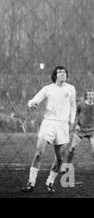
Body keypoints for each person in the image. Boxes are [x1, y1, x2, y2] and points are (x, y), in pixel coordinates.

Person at [22, 66, 76, 194]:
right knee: (39, 152)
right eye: (60, 72)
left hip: (63, 126)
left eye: (64, 72)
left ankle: (50, 182)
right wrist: (32, 104)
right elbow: (33, 100)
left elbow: (73, 106)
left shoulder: (71, 89)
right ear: (55, 75)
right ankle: (31, 182)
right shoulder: (48, 89)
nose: (63, 74)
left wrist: (72, 122)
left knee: (60, 158)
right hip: (49, 123)